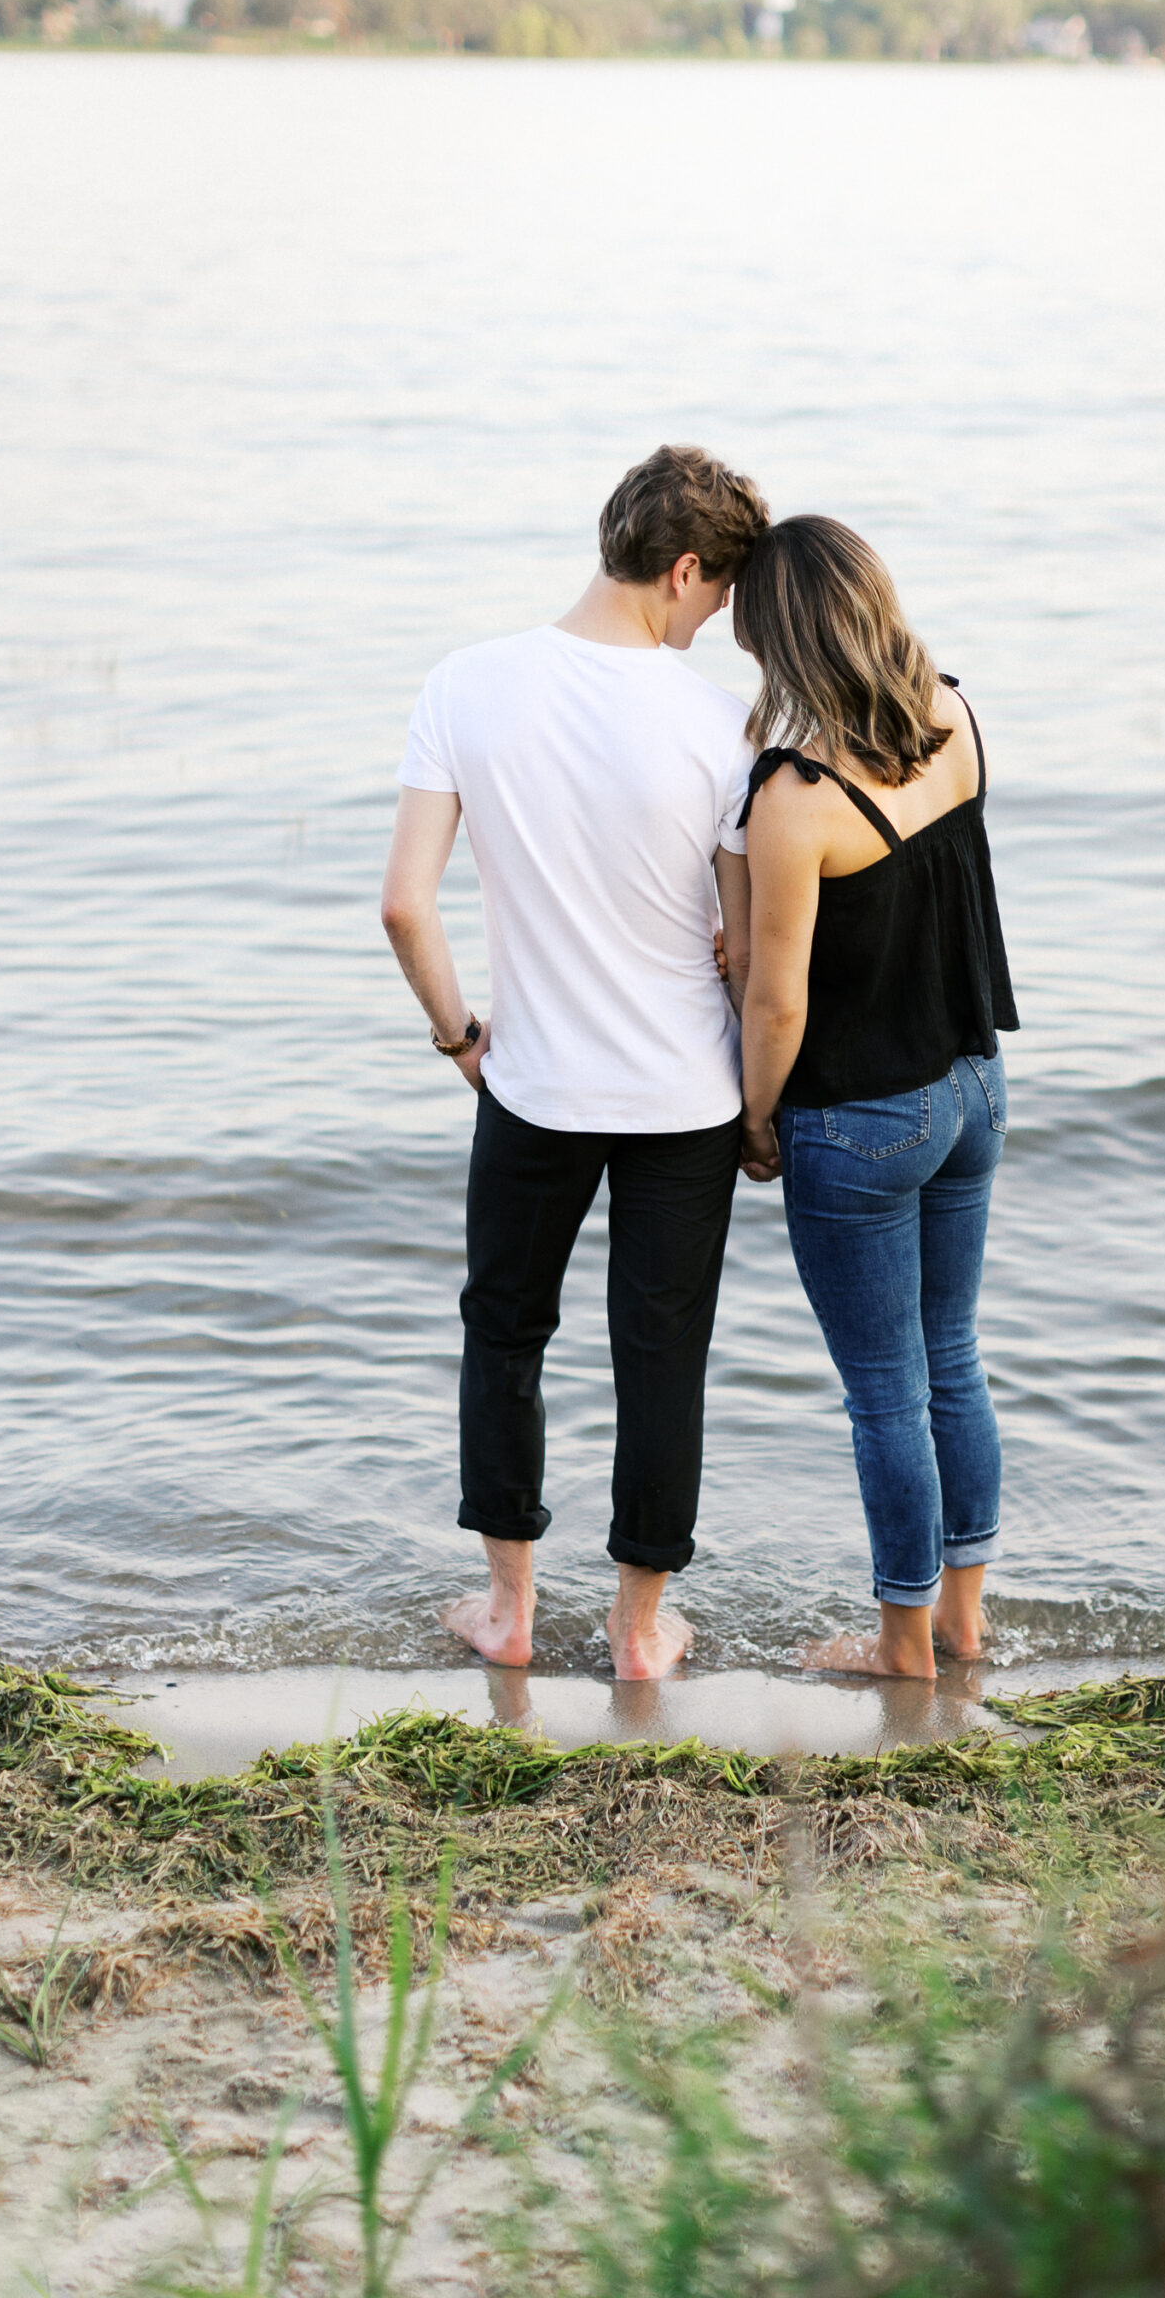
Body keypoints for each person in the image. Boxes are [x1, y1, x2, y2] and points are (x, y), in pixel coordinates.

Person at [381, 445, 767, 1681]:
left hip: (532, 1086)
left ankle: (508, 1611)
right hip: (687, 1098)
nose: (718, 626)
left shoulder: (466, 681)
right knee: (662, 1355)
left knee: (505, 1333)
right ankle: (640, 1631)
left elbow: (403, 905)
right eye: (718, 601)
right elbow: (746, 947)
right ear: (685, 568)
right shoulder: (720, 722)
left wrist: (460, 1039)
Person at [730, 516, 1019, 1679]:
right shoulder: (957, 714)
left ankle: (902, 1645)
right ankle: (964, 1619)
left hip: (859, 1118)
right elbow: (908, 901)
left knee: (885, 1394)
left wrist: (756, 1120)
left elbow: (778, 1005)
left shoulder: (793, 796)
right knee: (953, 1355)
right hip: (973, 1085)